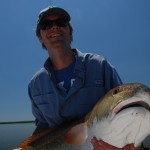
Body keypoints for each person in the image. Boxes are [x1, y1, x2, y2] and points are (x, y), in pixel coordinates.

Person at [28, 6, 142, 150]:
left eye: (61, 22)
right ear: (40, 37)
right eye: (46, 25)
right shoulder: (35, 84)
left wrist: (135, 147)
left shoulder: (100, 66)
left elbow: (126, 110)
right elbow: (42, 125)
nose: (54, 28)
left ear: (70, 32)